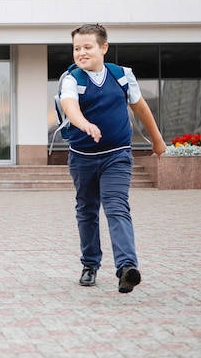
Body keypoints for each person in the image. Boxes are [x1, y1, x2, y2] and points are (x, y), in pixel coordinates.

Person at [59, 24, 167, 293]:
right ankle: (90, 264)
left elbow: (140, 108)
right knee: (87, 210)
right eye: (76, 48)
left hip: (117, 155)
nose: (81, 53)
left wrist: (157, 139)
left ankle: (127, 268)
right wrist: (84, 124)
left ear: (103, 48)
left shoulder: (122, 76)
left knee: (117, 206)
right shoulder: (72, 79)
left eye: (87, 47)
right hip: (82, 157)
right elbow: (69, 106)